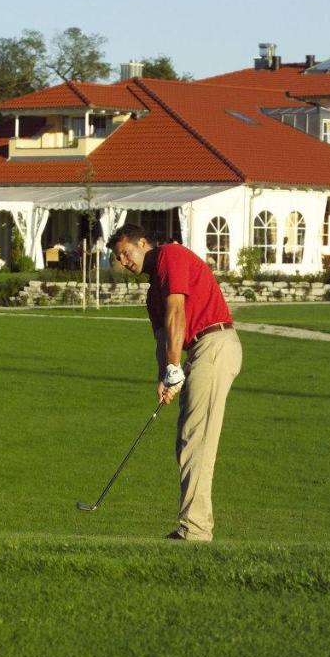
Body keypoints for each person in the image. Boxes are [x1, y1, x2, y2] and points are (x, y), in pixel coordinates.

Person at [108, 223, 242, 541]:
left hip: (213, 343)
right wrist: (165, 377)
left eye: (126, 253)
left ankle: (194, 530)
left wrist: (173, 367)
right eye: (119, 258)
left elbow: (176, 313)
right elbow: (162, 336)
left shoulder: (171, 255)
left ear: (144, 243)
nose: (124, 262)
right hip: (199, 351)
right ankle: (196, 525)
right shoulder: (153, 290)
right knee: (188, 438)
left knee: (196, 438)